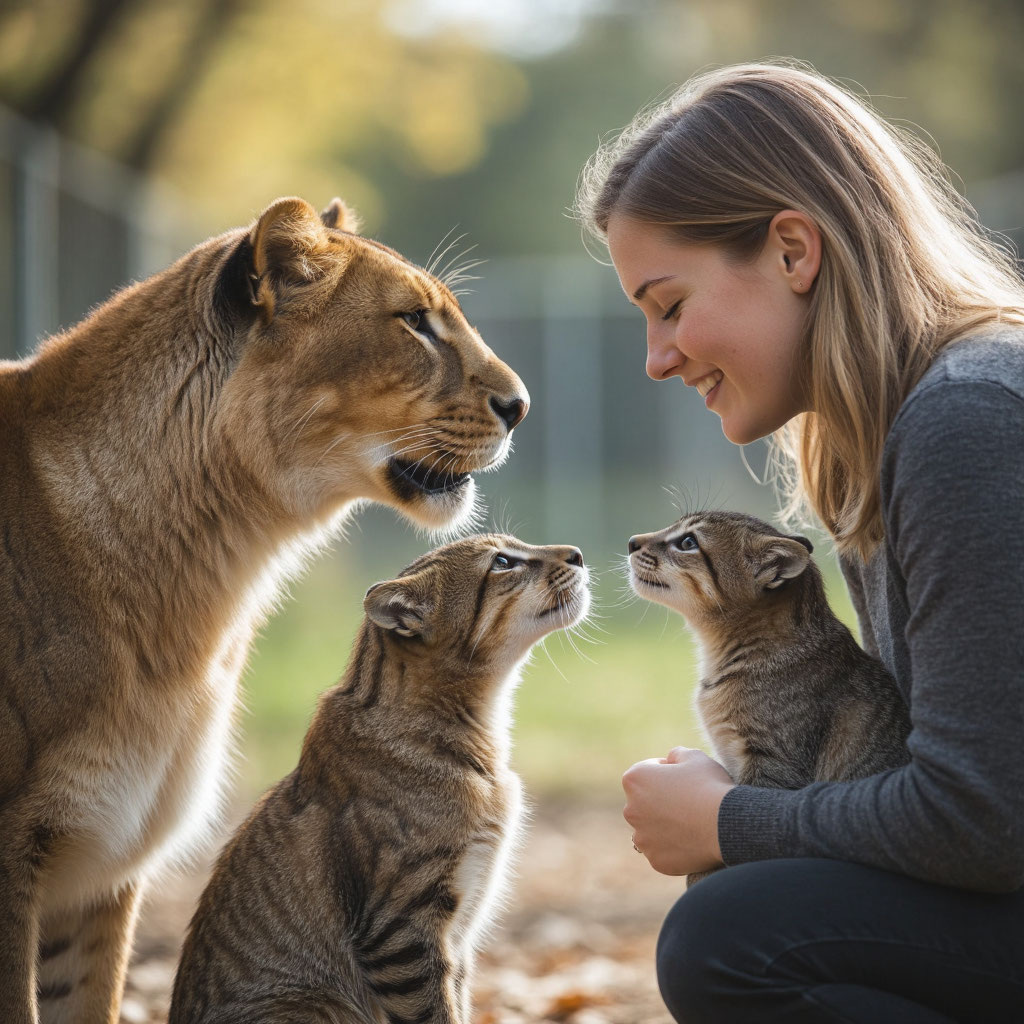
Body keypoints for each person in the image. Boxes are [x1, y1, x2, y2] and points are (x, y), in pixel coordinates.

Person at [576, 61, 1024, 1022]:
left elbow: (985, 820)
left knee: (733, 936)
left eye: (669, 305)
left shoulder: (967, 422)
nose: (658, 359)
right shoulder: (888, 441)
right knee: (744, 910)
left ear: (791, 250)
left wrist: (733, 821)